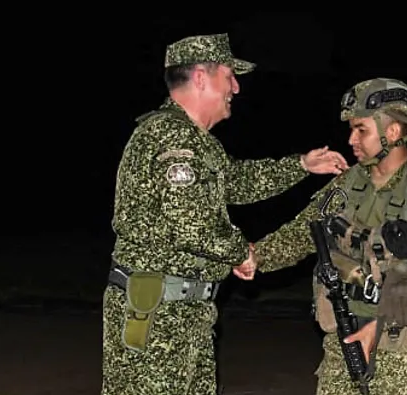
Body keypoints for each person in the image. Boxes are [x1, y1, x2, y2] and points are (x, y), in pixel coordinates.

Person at [102, 33, 348, 395]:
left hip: (187, 311)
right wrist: (240, 252)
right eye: (229, 75)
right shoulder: (170, 138)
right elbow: (189, 223)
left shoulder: (198, 142)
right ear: (201, 77)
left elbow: (238, 181)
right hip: (157, 314)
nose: (236, 87)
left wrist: (301, 165)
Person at [251, 78, 407, 395]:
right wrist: (255, 257)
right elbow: (303, 232)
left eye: (361, 130)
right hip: (345, 334)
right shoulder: (348, 184)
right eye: (352, 129)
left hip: (401, 346)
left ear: (392, 132)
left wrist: (377, 329)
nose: (352, 139)